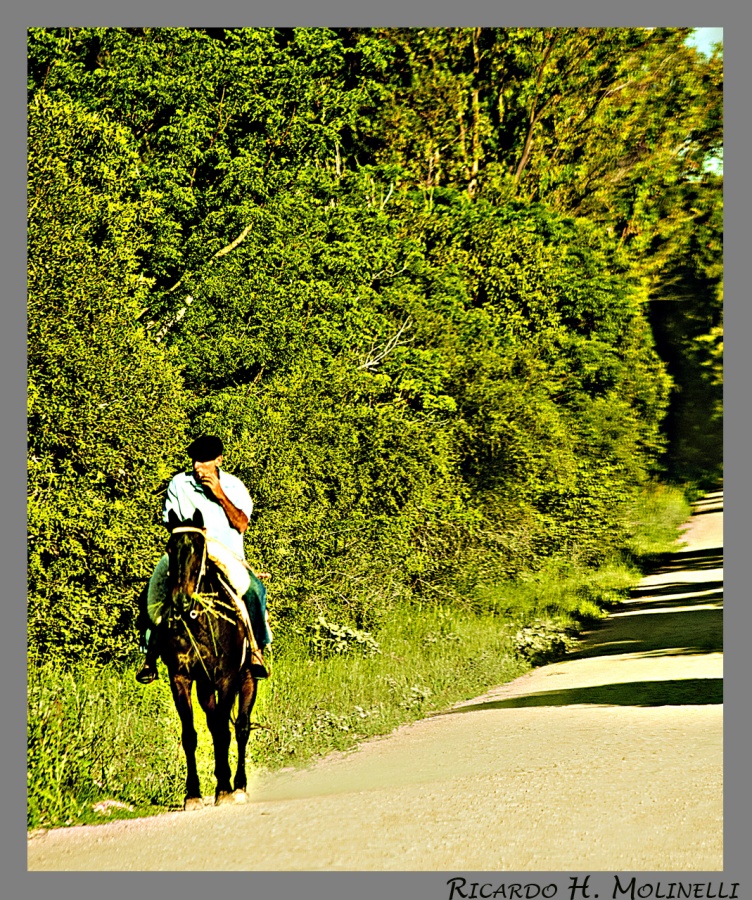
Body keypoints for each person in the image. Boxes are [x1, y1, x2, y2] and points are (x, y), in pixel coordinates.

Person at [136, 434, 271, 684]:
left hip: (226, 555)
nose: (198, 466)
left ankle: (256, 650)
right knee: (154, 590)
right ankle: (149, 656)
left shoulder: (234, 486)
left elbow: (242, 524)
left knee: (254, 589)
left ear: (218, 460)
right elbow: (171, 522)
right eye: (195, 460)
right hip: (188, 550)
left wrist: (219, 493)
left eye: (204, 460)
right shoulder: (179, 483)